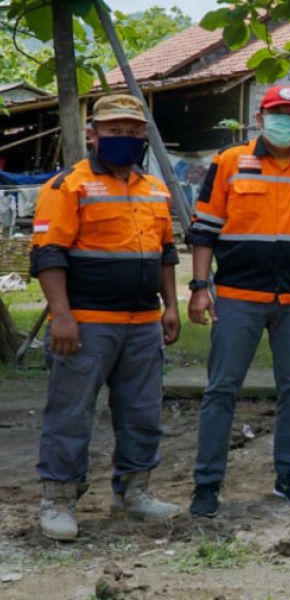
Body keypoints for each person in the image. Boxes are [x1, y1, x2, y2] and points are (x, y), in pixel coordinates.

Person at [186, 85, 290, 517]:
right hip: (238, 298)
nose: (284, 120)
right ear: (260, 116)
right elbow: (204, 230)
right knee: (221, 390)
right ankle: (207, 485)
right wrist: (200, 288)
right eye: (278, 112)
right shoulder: (230, 162)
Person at [29, 93, 181, 540]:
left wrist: (170, 306)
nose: (127, 139)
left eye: (135, 132)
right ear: (93, 136)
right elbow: (48, 254)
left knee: (142, 412)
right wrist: (61, 316)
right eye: (116, 131)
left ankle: (133, 492)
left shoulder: (155, 188)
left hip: (142, 325)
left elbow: (166, 253)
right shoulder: (66, 187)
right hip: (86, 324)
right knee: (70, 414)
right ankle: (58, 500)